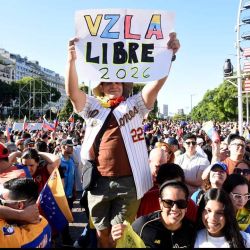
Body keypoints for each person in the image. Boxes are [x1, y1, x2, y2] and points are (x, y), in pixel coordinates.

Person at [66, 32, 180, 247]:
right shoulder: (92, 105)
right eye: (107, 81)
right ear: (100, 86)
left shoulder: (135, 105)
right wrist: (71, 60)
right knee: (102, 236)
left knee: (121, 236)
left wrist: (169, 56)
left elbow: (155, 85)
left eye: (118, 80)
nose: (113, 84)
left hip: (130, 182)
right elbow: (73, 93)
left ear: (124, 85)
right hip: (98, 181)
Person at [111, 180, 196, 248]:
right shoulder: (142, 225)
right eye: (168, 202)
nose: (174, 208)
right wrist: (118, 237)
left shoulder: (192, 230)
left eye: (181, 203)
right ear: (160, 203)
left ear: (187, 205)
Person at [0, 178, 51, 248]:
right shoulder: (44, 222)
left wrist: (20, 214)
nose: (2, 206)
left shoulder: (11, 238)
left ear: (20, 205)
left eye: (3, 202)